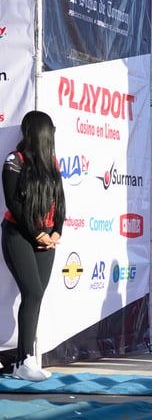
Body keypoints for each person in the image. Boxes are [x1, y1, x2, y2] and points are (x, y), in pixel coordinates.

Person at [1, 110, 66, 381]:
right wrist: (37, 232)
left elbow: (60, 202)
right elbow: (13, 203)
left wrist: (56, 232)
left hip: (45, 238)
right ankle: (25, 359)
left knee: (35, 296)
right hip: (18, 234)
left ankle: (22, 362)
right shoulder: (14, 160)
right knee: (33, 292)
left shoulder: (51, 162)